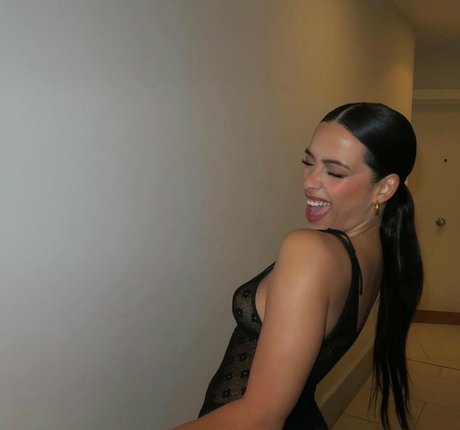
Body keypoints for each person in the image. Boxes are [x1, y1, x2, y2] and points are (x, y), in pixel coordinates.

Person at [172, 102, 423, 430]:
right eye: (308, 162)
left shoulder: (310, 250)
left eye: (334, 172)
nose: (309, 182)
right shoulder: (377, 248)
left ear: (385, 187)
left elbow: (261, 417)